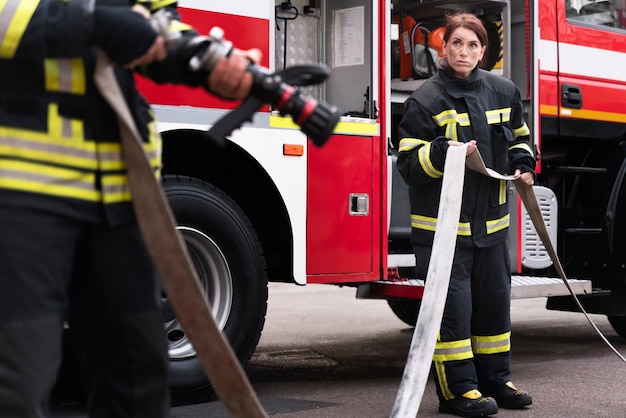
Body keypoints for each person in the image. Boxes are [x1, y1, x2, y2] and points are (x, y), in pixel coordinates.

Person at [0, 1, 261, 417]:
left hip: (118, 199)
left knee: (137, 385)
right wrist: (92, 24)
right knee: (16, 385)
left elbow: (157, 27)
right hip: (20, 194)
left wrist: (204, 60)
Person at [396, 11, 536, 418]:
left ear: (483, 51)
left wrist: (525, 162)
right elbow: (408, 165)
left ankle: (496, 380)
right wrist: (441, 153)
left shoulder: (503, 91)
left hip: (491, 227)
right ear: (444, 48)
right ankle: (458, 391)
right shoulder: (425, 99)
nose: (464, 51)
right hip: (443, 233)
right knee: (453, 314)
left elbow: (519, 139)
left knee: (494, 306)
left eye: (472, 45)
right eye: (457, 43)